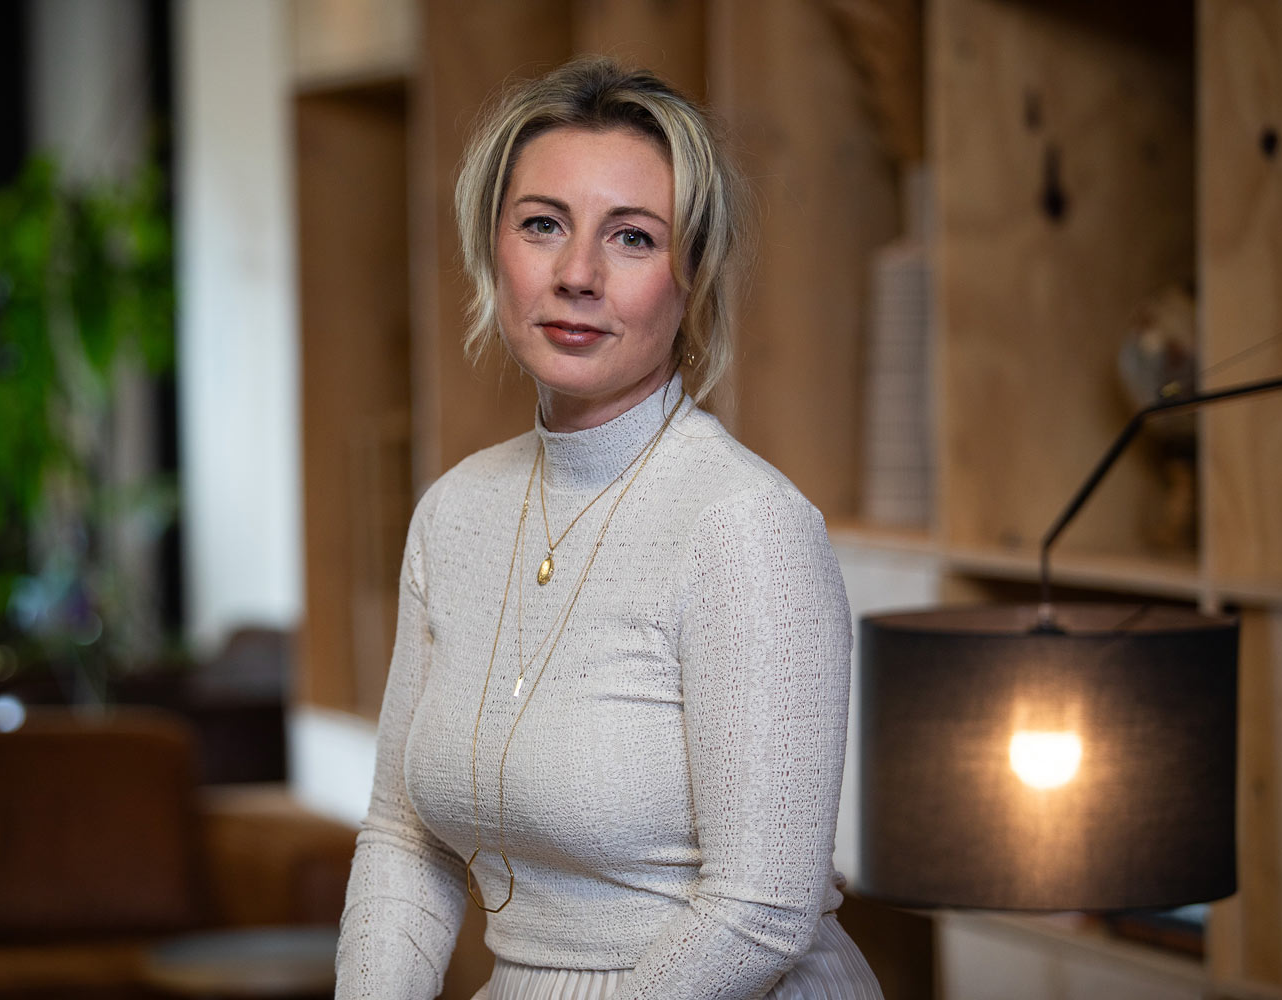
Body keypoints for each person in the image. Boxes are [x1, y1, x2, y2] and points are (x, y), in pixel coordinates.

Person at [334, 57, 881, 1000]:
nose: (577, 275)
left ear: (691, 276)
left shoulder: (746, 527)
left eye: (632, 238)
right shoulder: (454, 513)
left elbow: (762, 909)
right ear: (492, 248)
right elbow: (404, 839)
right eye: (542, 224)